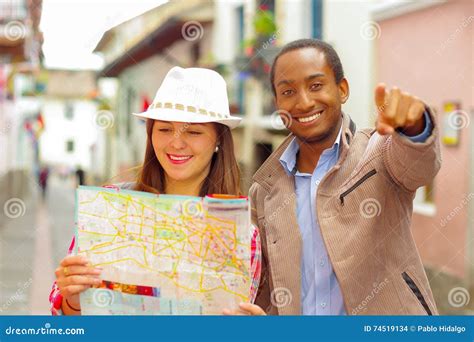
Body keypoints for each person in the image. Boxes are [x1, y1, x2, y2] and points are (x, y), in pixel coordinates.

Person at [230, 39, 441, 315]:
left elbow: (419, 165)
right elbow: (267, 286)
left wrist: (415, 126)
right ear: (277, 103)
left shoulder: (380, 152)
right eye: (288, 91)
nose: (304, 102)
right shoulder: (263, 189)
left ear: (342, 89)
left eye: (316, 85)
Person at [49, 67, 261, 315]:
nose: (176, 142)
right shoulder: (107, 209)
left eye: (193, 131)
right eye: (164, 129)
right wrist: (72, 300)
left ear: (218, 140)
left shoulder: (242, 236)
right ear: (150, 134)